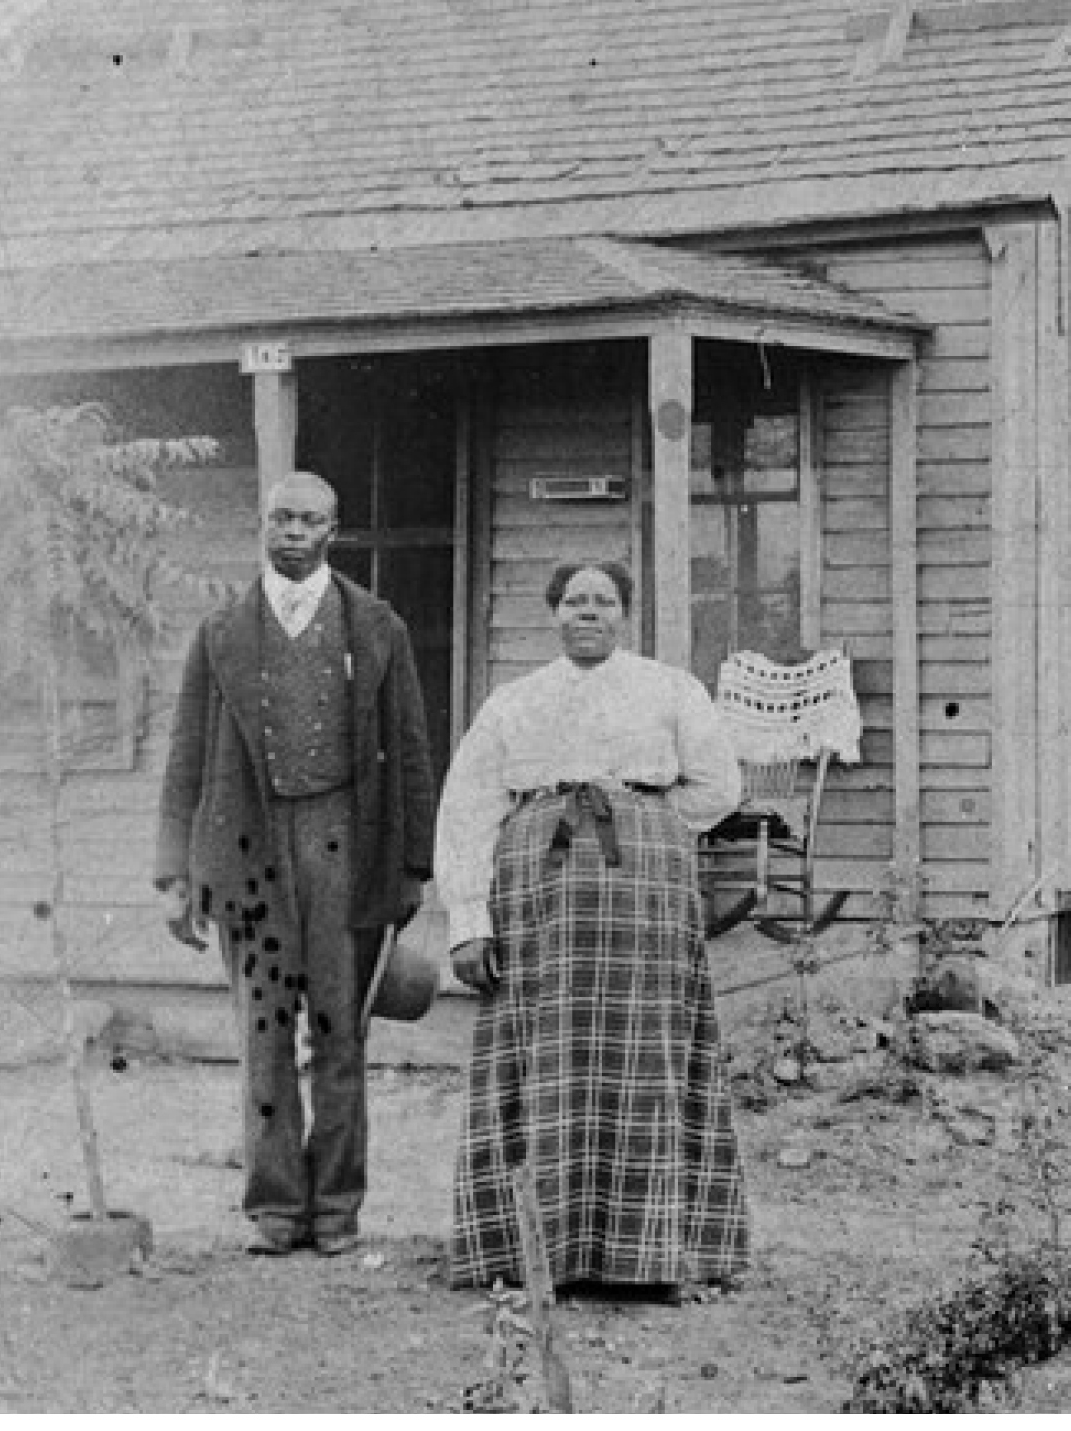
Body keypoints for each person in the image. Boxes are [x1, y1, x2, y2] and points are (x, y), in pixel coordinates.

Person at [435, 559, 748, 1300]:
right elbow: (469, 806)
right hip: (539, 895)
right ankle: (528, 1249)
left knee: (648, 1052)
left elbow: (718, 786)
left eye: (603, 601)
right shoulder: (515, 701)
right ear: (553, 614)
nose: (588, 612)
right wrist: (469, 920)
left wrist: (650, 823)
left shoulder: (671, 689)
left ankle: (653, 1252)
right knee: (541, 1053)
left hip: (644, 892)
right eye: (574, 600)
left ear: (625, 614)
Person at [154, 471, 438, 1257]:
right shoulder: (220, 634)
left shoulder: (376, 627)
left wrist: (413, 864)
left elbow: (412, 749)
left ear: (332, 532)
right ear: (262, 525)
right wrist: (174, 870)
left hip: (342, 842)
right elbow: (184, 757)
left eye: (308, 520)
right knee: (265, 1031)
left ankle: (338, 1207)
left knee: (340, 1030)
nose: (291, 532)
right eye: (279, 517)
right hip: (246, 845)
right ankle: (275, 1206)